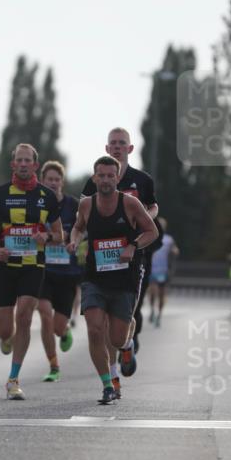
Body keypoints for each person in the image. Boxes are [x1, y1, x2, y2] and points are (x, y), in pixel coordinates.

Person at [0, 143, 64, 400]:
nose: (23, 164)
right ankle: (6, 339)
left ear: (35, 165)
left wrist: (46, 237)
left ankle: (13, 379)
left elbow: (60, 234)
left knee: (24, 316)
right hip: (4, 267)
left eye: (28, 161)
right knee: (5, 331)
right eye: (19, 160)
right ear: (13, 164)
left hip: (33, 266)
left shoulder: (47, 196)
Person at [69, 156, 158, 404]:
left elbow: (152, 231)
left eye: (110, 176)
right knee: (95, 329)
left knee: (116, 338)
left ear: (117, 178)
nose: (106, 180)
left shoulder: (130, 203)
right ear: (94, 178)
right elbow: (78, 227)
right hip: (95, 276)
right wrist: (74, 240)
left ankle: (127, 344)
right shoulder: (86, 204)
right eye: (101, 176)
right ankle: (108, 384)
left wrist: (133, 246)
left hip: (124, 277)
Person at [82, 127, 160, 368]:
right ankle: (113, 371)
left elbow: (154, 207)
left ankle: (127, 342)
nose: (117, 146)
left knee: (128, 310)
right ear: (107, 148)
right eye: (113, 143)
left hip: (134, 253)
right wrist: (78, 238)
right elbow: (83, 212)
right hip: (102, 257)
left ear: (130, 148)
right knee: (101, 317)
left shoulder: (142, 179)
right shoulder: (97, 178)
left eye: (121, 143)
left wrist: (142, 218)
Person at [37, 160, 82, 382]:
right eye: (49, 180)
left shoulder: (73, 205)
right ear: (42, 181)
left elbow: (83, 229)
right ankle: (54, 365)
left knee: (56, 327)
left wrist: (76, 241)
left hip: (67, 273)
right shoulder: (36, 204)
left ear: (62, 182)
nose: (53, 183)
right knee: (45, 315)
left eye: (57, 179)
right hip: (43, 270)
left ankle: (64, 331)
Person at [148, 218, 179, 327]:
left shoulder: (169, 239)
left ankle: (159, 315)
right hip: (152, 270)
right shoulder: (151, 236)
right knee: (153, 292)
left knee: (161, 294)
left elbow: (175, 250)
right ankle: (152, 310)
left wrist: (174, 252)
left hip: (163, 271)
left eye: (162, 225)